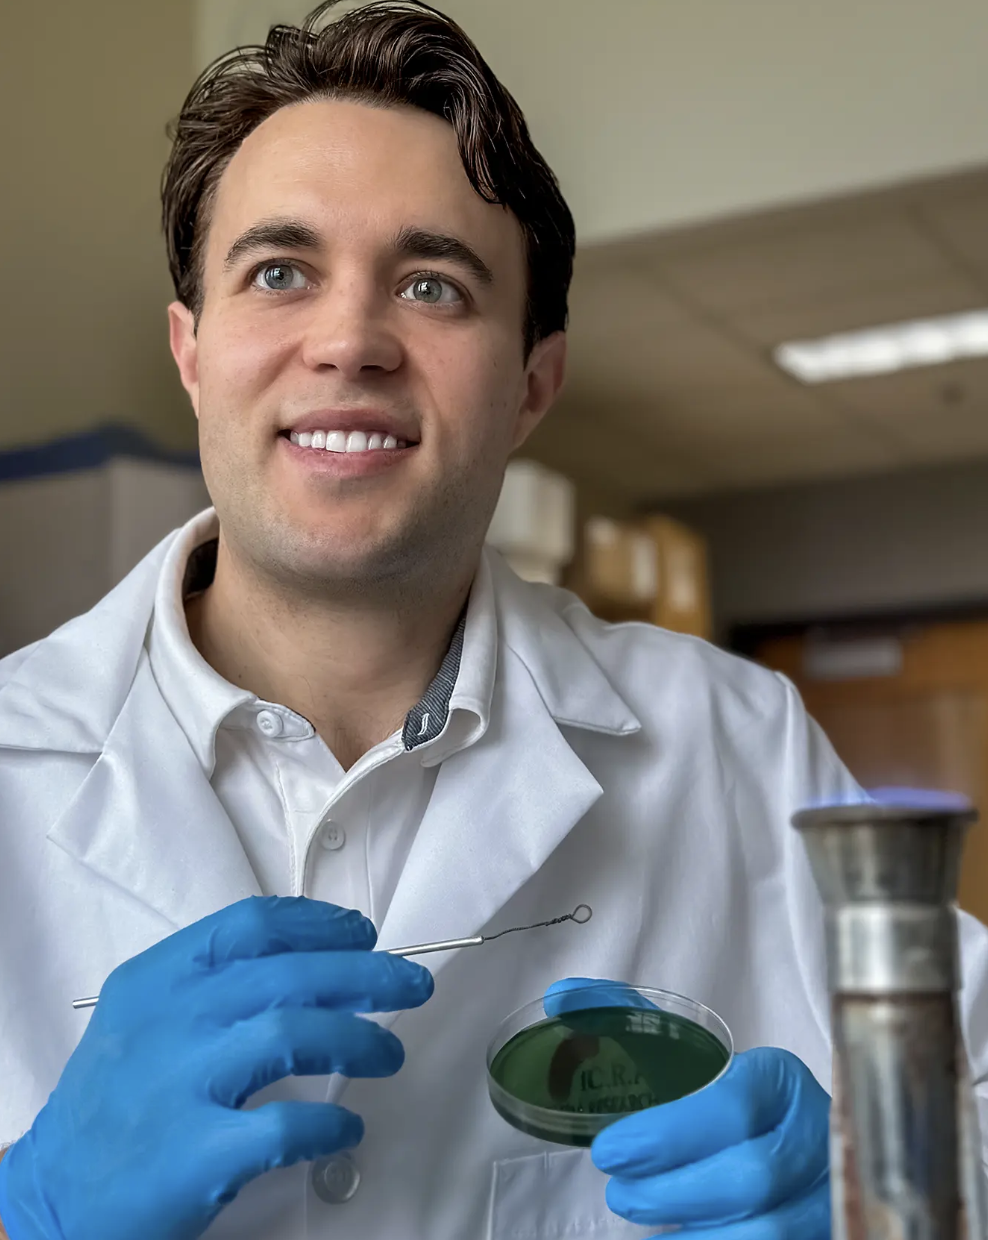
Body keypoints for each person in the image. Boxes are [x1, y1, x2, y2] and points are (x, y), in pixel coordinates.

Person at [0, 2, 985, 1237]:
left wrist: (877, 1192)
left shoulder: (730, 742)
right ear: (193, 352)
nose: (350, 340)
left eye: (431, 284)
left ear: (532, 383)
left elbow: (969, 1101)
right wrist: (24, 1203)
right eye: (280, 272)